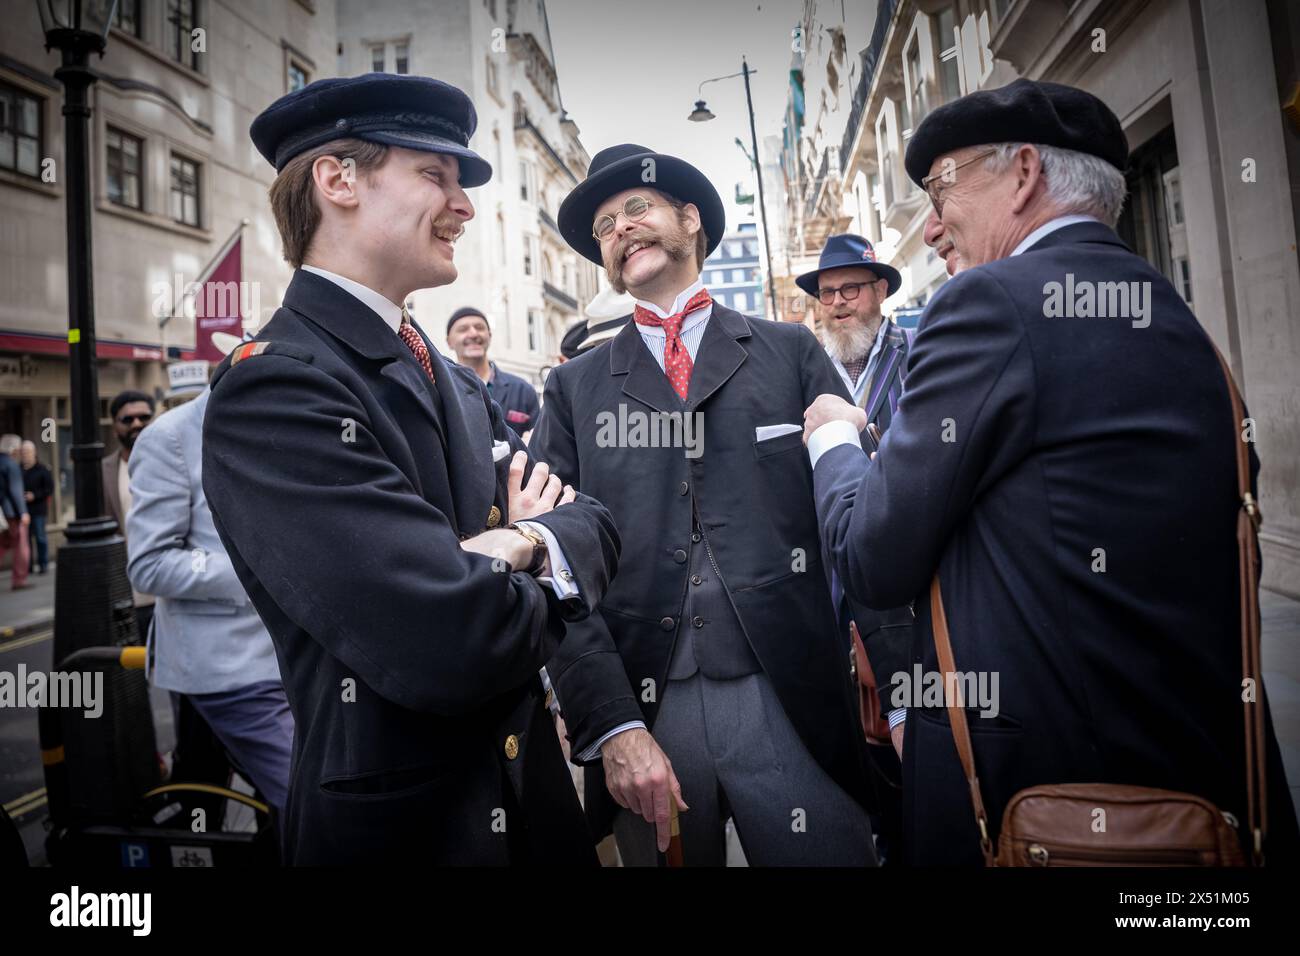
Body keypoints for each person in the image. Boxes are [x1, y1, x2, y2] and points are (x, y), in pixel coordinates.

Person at [802, 78, 1300, 865]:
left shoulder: (992, 305)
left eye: (942, 189)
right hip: (1198, 803)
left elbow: (874, 554)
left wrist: (834, 442)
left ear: (1025, 172)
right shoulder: (1173, 314)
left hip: (1047, 812)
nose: (931, 228)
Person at [201, 74, 619, 865]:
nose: (463, 206)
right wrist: (537, 555)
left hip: (532, 808)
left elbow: (593, 524)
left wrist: (518, 543)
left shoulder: (459, 382)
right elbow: (450, 639)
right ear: (338, 181)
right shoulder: (276, 382)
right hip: (411, 834)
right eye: (436, 175)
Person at [533, 144, 874, 866]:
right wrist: (603, 717)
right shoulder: (574, 388)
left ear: (689, 219)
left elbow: (857, 520)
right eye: (603, 228)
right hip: (647, 712)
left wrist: (894, 684)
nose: (620, 229)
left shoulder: (790, 352)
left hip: (788, 695)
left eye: (636, 209)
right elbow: (556, 571)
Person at [126, 385, 294, 815]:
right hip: (231, 669)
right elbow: (149, 564)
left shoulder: (280, 424)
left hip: (294, 657)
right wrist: (258, 572)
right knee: (311, 800)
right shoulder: (169, 437)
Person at [797, 234, 910, 863]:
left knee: (912, 753)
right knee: (854, 754)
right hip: (827, 592)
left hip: (904, 591)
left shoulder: (918, 357)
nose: (838, 303)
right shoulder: (799, 365)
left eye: (852, 289)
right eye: (827, 293)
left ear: (880, 291)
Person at [103, 389, 156, 638]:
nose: (137, 424)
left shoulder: (174, 462)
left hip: (173, 595)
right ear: (115, 426)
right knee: (133, 673)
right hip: (128, 596)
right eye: (127, 419)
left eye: (144, 417)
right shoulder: (102, 473)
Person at [445, 306, 540, 438]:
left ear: (489, 336)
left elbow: (539, 443)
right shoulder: (442, 391)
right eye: (463, 329)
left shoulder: (523, 390)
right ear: (449, 341)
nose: (473, 334)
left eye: (479, 327)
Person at [0, 434, 29, 591]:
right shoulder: (11, 465)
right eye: (18, 449)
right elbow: (15, 490)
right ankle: (19, 579)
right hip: (11, 513)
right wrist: (23, 512)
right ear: (13, 450)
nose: (19, 453)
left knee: (3, 545)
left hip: (2, 513)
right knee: (20, 546)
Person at [20, 440, 53, 575]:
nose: (26, 454)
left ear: (34, 453)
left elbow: (49, 489)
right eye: (24, 452)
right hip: (23, 510)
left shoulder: (42, 470)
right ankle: (28, 566)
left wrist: (35, 495)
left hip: (38, 509)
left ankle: (43, 564)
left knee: (40, 537)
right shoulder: (18, 470)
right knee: (25, 540)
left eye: (28, 452)